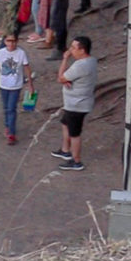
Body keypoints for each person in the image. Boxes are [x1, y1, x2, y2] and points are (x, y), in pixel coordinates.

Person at [52, 36, 97, 171]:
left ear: (82, 50)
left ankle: (76, 161)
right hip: (75, 102)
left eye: (73, 48)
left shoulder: (80, 65)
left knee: (74, 133)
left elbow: (60, 78)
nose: (70, 50)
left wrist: (65, 59)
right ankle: (65, 150)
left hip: (77, 105)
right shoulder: (91, 61)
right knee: (65, 123)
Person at [0, 34, 35, 145]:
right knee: (6, 107)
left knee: (11, 108)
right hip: (3, 85)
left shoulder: (21, 53)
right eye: (8, 41)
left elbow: (27, 68)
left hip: (16, 85)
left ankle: (11, 133)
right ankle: (8, 125)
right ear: (5, 42)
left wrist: (30, 84)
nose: (11, 43)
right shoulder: (1, 53)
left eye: (13, 41)